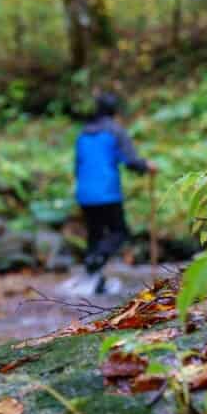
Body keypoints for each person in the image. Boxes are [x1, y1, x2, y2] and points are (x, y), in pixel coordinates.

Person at [74, 92, 156, 294]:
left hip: (85, 193)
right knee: (119, 232)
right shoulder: (115, 131)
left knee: (95, 234)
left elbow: (77, 166)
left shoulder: (83, 133)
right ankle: (97, 259)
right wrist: (147, 166)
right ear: (114, 111)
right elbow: (130, 161)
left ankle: (93, 277)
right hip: (107, 192)